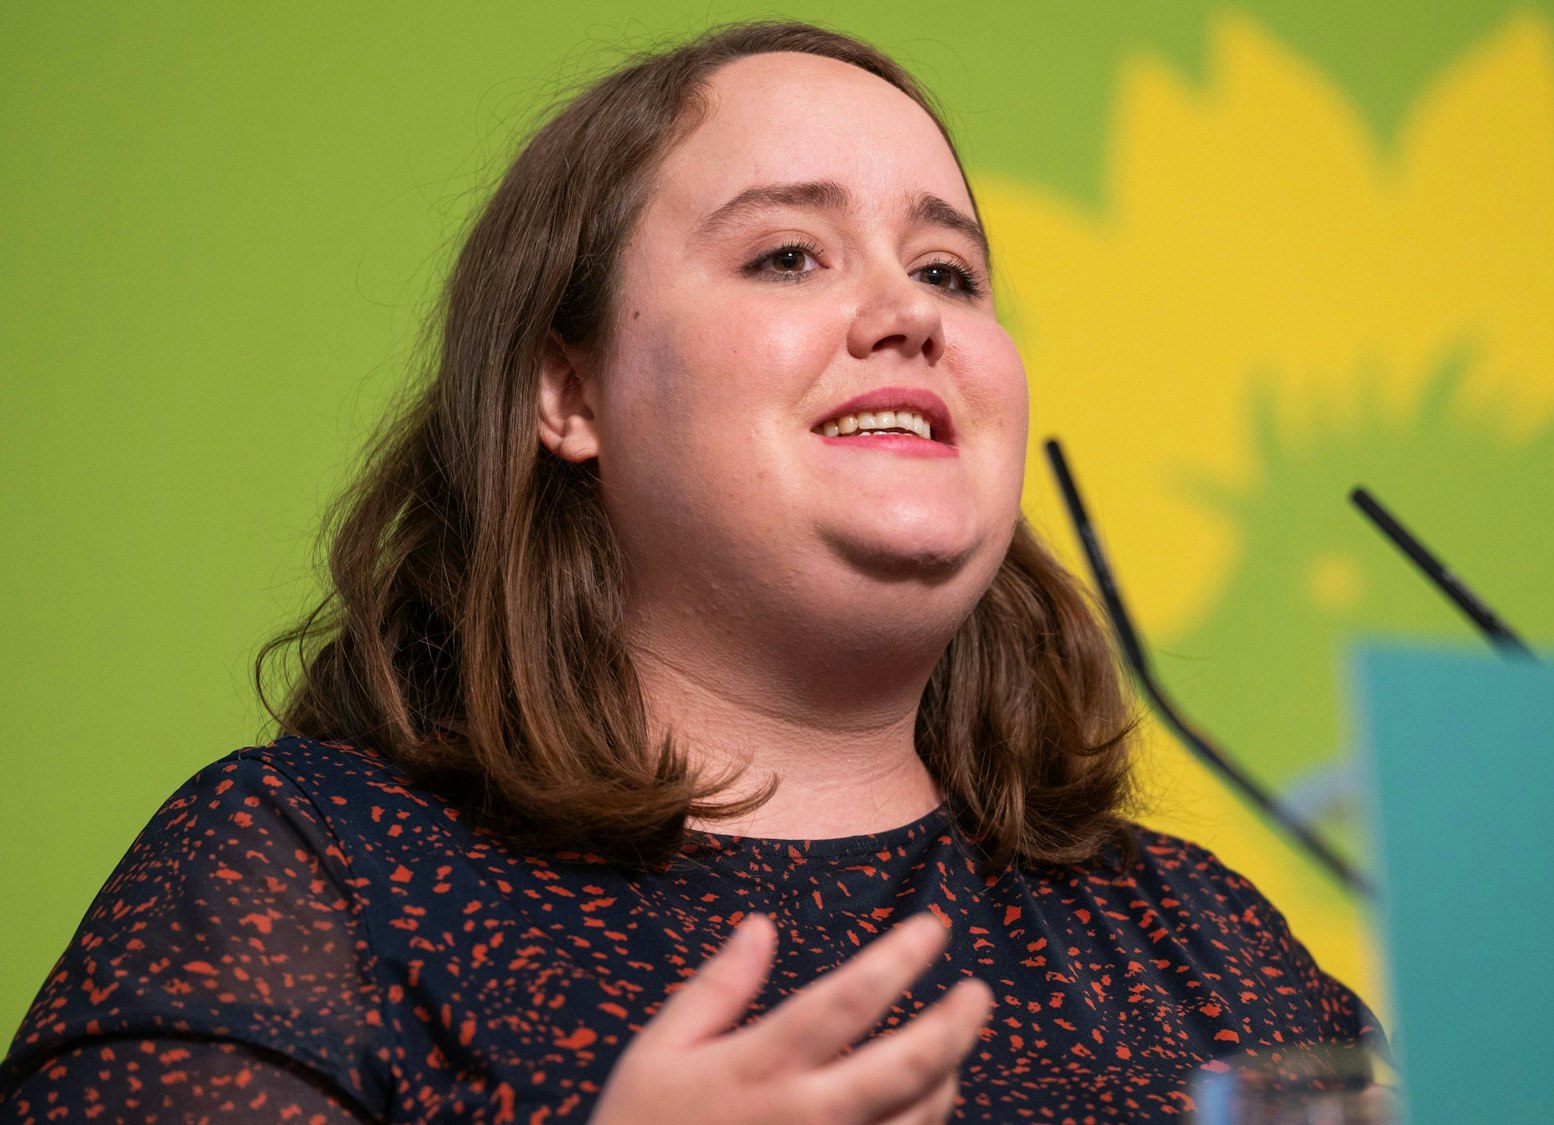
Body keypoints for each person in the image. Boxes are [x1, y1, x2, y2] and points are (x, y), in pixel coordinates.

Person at [1, 21, 1377, 1124]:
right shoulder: (306, 870)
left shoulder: (1212, 951)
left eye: (951, 272)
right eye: (789, 254)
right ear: (568, 389)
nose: (907, 314)